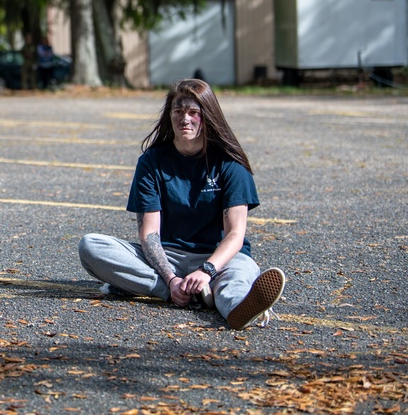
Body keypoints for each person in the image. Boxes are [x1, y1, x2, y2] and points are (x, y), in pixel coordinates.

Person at [77, 78, 285, 330]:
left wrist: (206, 270)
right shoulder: (152, 162)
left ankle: (241, 309)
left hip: (220, 258)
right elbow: (149, 233)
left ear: (207, 117)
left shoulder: (230, 165)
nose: (184, 118)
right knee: (91, 246)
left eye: (193, 112)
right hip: (168, 257)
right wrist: (172, 280)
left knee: (236, 279)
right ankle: (181, 291)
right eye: (178, 111)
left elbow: (235, 234)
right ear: (170, 116)